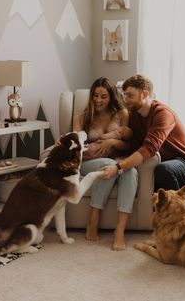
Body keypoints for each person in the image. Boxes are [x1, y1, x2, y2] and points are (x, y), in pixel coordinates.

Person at [100, 74, 185, 194]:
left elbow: (149, 148)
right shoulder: (134, 115)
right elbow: (135, 146)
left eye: (130, 95)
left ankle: (178, 210)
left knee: (163, 170)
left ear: (145, 94)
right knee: (142, 179)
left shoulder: (163, 114)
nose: (126, 100)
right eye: (125, 95)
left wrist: (117, 168)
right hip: (158, 162)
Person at [73, 77, 138, 251]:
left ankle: (120, 230)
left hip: (115, 159)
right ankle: (93, 218)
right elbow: (75, 143)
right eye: (95, 96)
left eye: (103, 96)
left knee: (129, 170)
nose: (99, 100)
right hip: (87, 162)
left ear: (111, 97)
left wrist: (113, 143)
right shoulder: (82, 117)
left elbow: (129, 144)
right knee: (109, 165)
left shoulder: (122, 114)